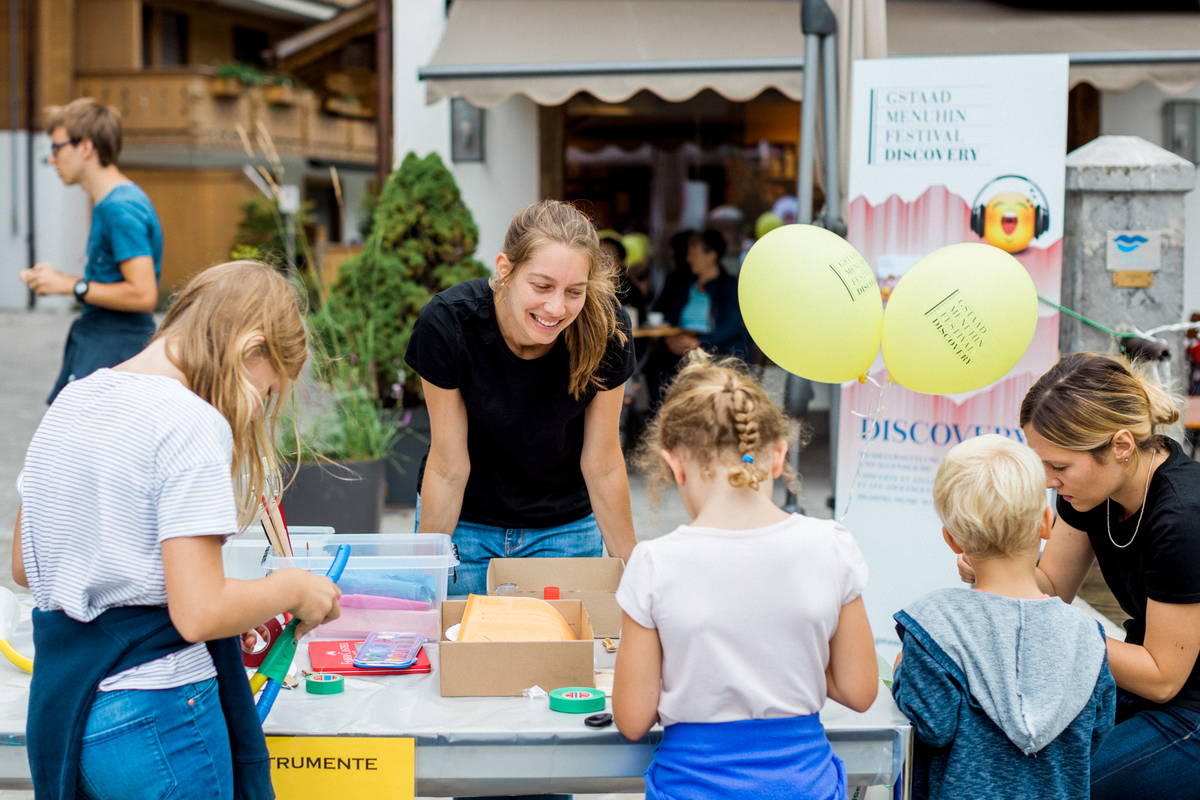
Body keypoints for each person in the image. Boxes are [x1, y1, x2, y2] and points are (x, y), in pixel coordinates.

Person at [12, 260, 342, 799]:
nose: (257, 412)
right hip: (156, 709)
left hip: (68, 703)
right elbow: (201, 612)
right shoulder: (190, 421)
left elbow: (26, 565)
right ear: (249, 350)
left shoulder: (72, 401)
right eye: (266, 393)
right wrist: (294, 588)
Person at [613, 351, 877, 800]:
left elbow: (633, 719)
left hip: (691, 787)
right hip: (803, 786)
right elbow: (859, 690)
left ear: (674, 464)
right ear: (778, 456)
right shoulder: (831, 546)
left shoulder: (655, 563)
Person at [982, 352, 1200, 799]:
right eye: (1041, 464)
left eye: (1059, 467)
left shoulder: (1181, 517)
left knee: (1050, 786)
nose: (1047, 481)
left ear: (1120, 446)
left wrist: (1055, 630)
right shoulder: (1091, 490)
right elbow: (1051, 588)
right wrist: (998, 567)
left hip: (1188, 707)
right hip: (1151, 685)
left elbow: (1162, 677)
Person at [405, 200, 638, 598]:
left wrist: (633, 569)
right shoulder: (448, 324)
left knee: (561, 658)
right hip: (467, 527)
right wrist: (427, 573)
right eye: (542, 286)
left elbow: (601, 462)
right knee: (457, 650)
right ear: (505, 269)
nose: (556, 308)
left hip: (564, 533)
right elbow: (448, 465)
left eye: (573, 292)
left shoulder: (606, 328)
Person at [893, 434, 1115, 800]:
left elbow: (931, 724)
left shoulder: (934, 625)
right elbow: (1096, 732)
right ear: (1046, 524)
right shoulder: (1085, 635)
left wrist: (905, 668)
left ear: (952, 539)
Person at [19, 98, 164, 404]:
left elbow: (143, 294)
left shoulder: (120, 208)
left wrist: (69, 285)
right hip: (107, 345)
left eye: (57, 148)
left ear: (85, 147)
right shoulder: (113, 202)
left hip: (115, 348)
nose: (52, 159)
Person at [642, 229, 752, 411]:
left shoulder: (729, 286)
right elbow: (666, 317)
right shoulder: (683, 285)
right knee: (654, 366)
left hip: (714, 348)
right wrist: (668, 338)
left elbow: (732, 325)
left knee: (693, 371)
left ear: (711, 256)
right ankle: (664, 420)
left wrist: (698, 342)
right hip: (681, 344)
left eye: (694, 253)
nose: (688, 258)